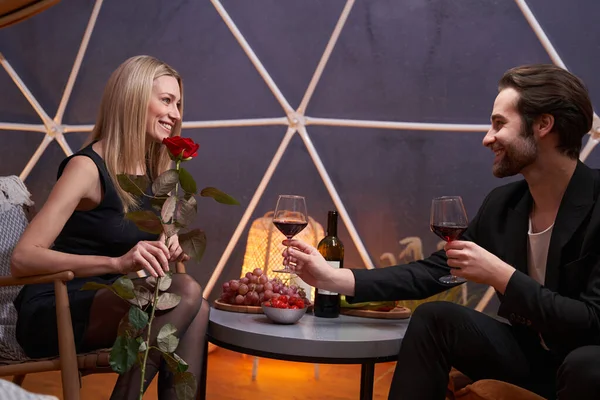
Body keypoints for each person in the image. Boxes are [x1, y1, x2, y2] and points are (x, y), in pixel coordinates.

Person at [282, 64, 600, 400]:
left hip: (585, 363)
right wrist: (332, 279)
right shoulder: (505, 205)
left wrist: (502, 276)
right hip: (534, 360)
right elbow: (434, 271)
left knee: (587, 365)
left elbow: (593, 322)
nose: (487, 138)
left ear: (543, 125)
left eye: (499, 124)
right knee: (436, 318)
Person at [11, 55, 208, 400]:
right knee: (185, 292)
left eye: (178, 103)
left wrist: (168, 242)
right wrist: (117, 264)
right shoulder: (87, 168)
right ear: (133, 99)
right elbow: (24, 257)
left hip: (118, 298)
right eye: (166, 100)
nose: (176, 114)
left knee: (197, 304)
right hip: (60, 306)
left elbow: (135, 243)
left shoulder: (155, 173)